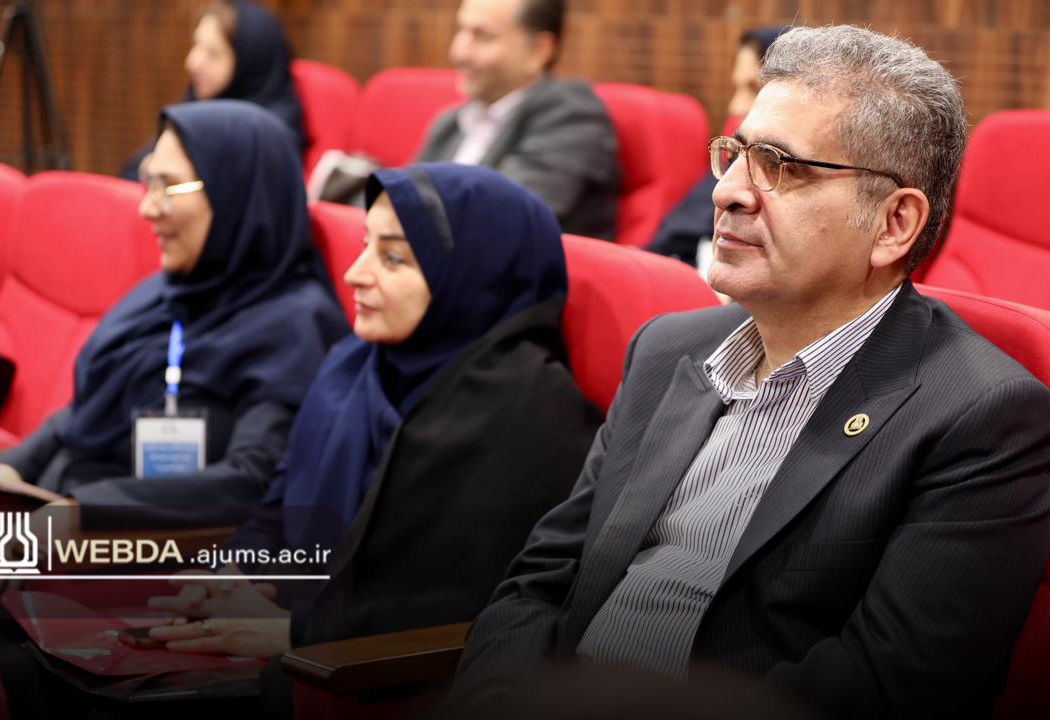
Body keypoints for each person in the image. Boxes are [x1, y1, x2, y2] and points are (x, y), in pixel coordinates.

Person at [449, 25, 1050, 719]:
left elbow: (890, 688)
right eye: (734, 155)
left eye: (781, 167)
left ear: (894, 224)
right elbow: (543, 578)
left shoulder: (983, 416)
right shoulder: (667, 350)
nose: (729, 192)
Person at [143, 163, 603, 715]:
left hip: (375, 680)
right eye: (365, 246)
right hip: (287, 636)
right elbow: (279, 507)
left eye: (394, 258)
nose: (355, 274)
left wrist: (296, 631)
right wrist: (232, 576)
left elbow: (480, 603)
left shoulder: (530, 410)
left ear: (473, 274)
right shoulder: (355, 362)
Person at [0, 101, 347, 596]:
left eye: (169, 187)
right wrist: (11, 467)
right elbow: (91, 407)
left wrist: (85, 513)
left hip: (145, 556)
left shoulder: (295, 325)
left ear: (237, 195)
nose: (148, 208)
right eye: (149, 182)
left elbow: (249, 480)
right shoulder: (169, 291)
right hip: (52, 517)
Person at [416, 0, 621, 240]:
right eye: (460, 30)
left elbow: (497, 216)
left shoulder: (572, 116)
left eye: (483, 36)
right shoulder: (450, 123)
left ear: (538, 51)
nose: (459, 53)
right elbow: (400, 201)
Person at [120, 0, 305, 179]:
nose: (192, 62)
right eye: (196, 44)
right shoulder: (199, 103)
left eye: (213, 53)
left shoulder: (269, 138)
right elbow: (132, 171)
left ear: (250, 62)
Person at [649, 27, 786, 266]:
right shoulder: (732, 156)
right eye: (736, 88)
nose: (736, 106)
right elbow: (676, 234)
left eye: (753, 88)